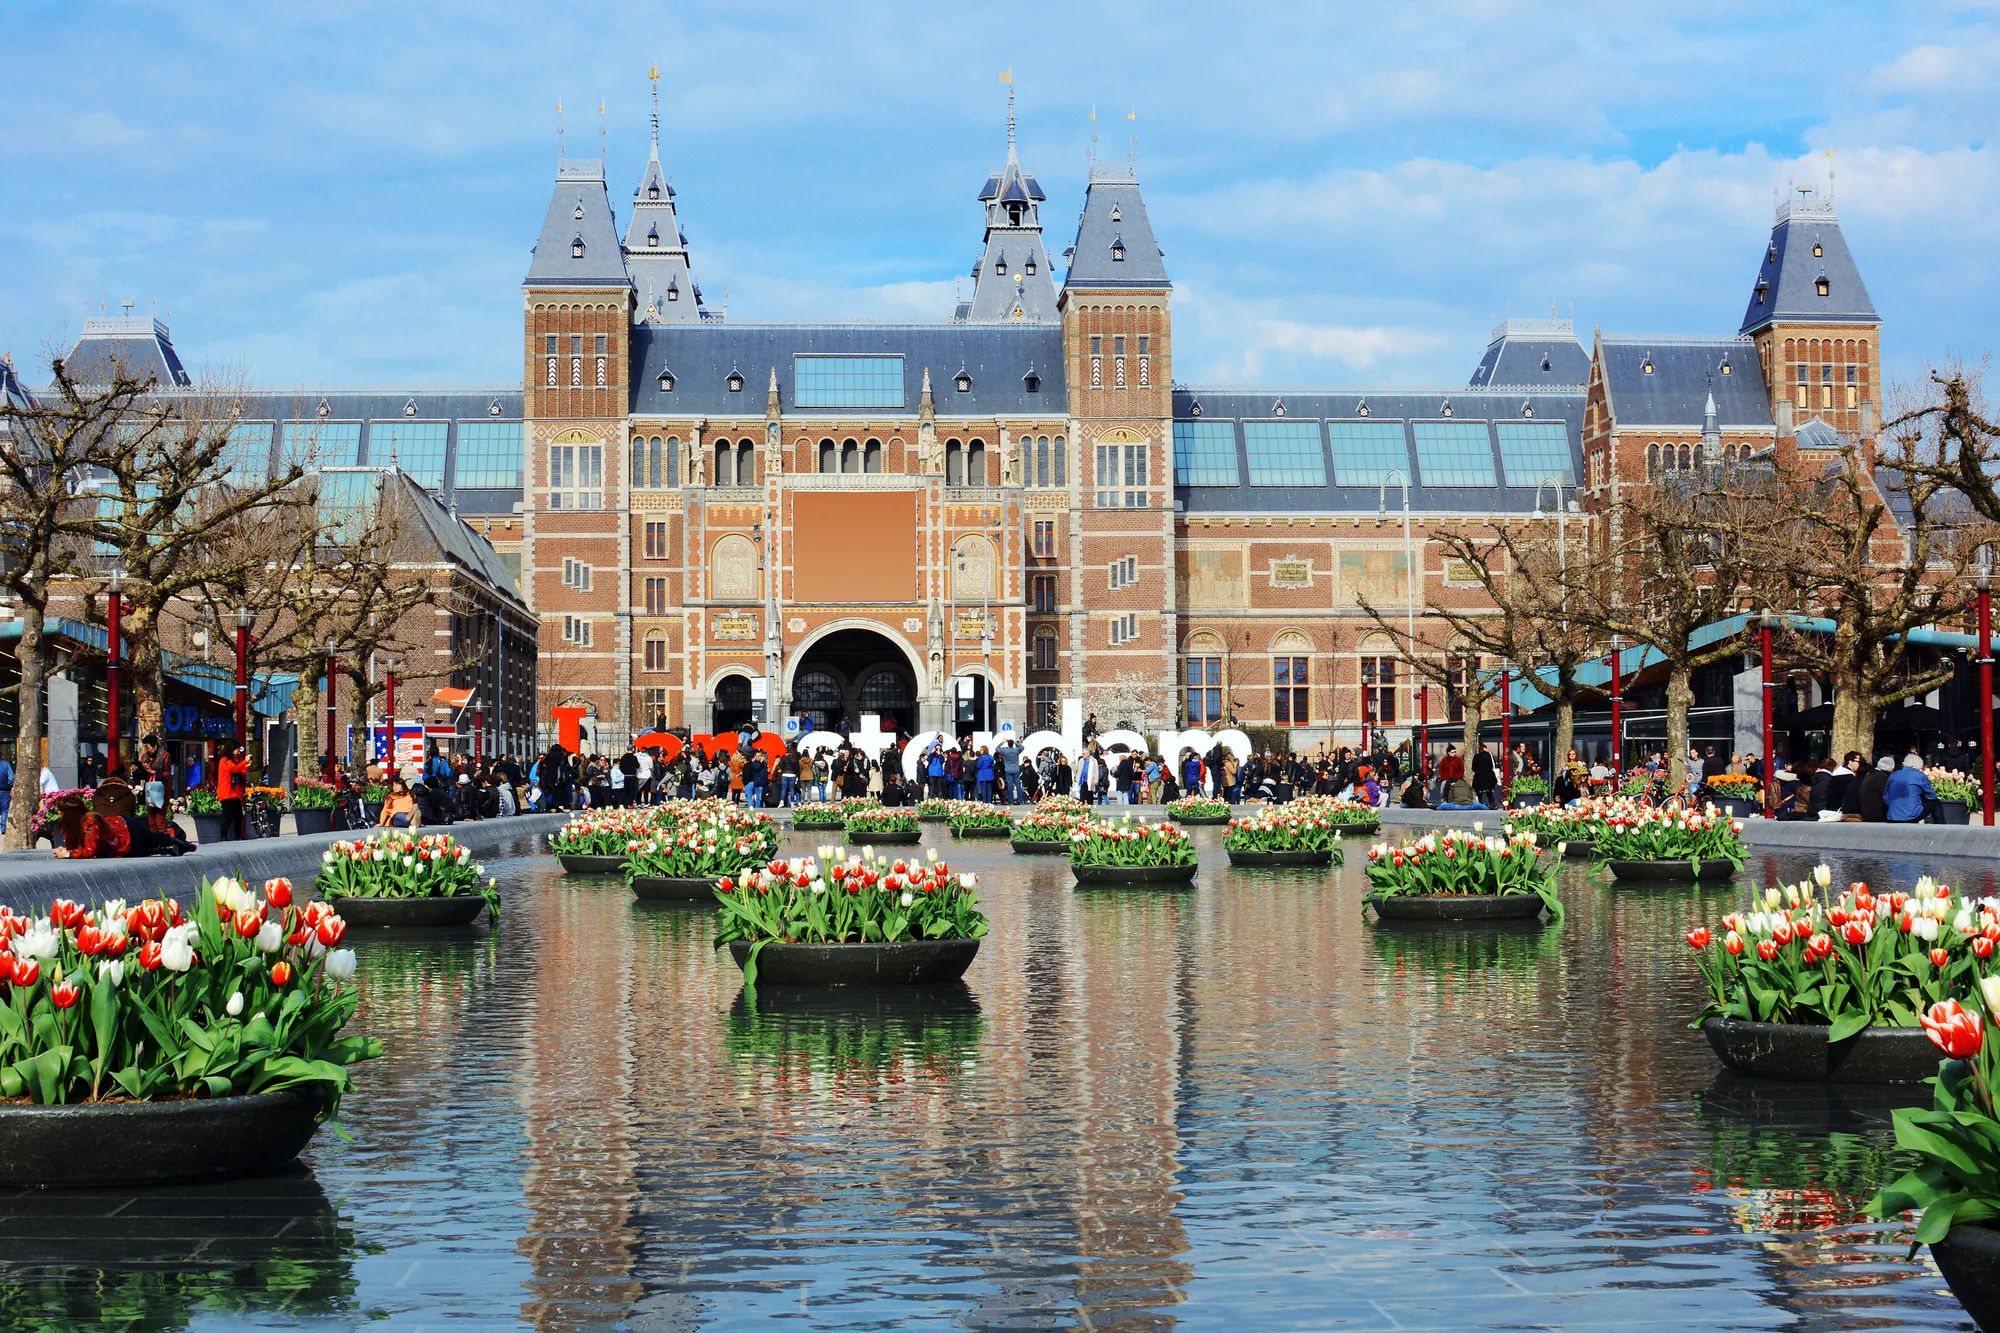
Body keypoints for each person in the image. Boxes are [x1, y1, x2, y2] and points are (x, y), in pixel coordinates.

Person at [1885, 754, 1939, 824]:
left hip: (1893, 815)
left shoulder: (1893, 775)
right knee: (1936, 801)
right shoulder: (1919, 775)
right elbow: (1932, 796)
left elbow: (1886, 797)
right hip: (1911, 815)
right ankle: (1941, 825)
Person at [216, 743, 250, 841]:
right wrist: (244, 762)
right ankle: (223, 837)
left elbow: (239, 771)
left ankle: (238, 836)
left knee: (239, 815)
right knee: (228, 816)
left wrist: (246, 766)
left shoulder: (232, 761)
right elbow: (234, 769)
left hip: (234, 794)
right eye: (237, 750)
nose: (238, 753)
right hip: (226, 793)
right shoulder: (224, 761)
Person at [1854, 756, 1894, 822]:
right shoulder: (1883, 778)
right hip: (1877, 815)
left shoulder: (1871, 775)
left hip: (1867, 813)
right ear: (1891, 770)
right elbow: (1889, 796)